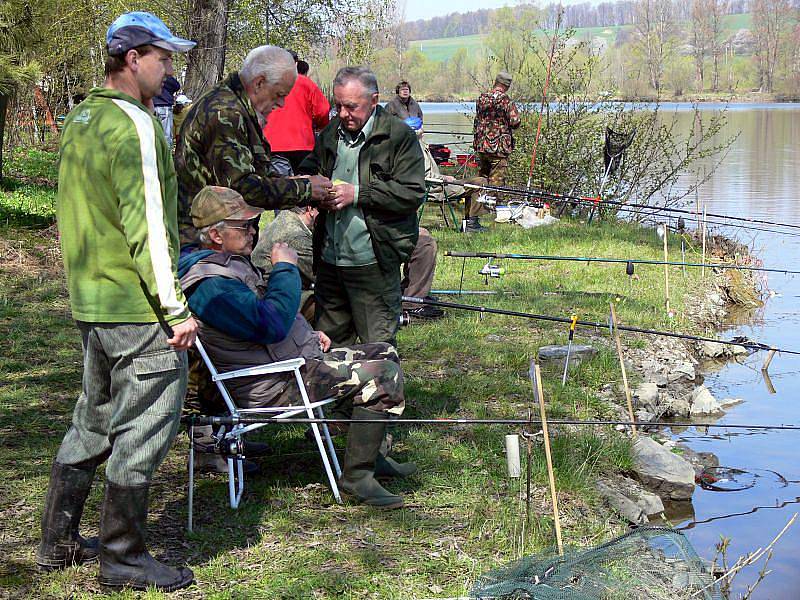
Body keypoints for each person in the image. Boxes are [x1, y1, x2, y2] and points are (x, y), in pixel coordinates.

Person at [37, 11, 198, 592]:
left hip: (92, 300)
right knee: (145, 425)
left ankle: (56, 540)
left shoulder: (81, 117)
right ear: (134, 58)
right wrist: (175, 309)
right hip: (136, 306)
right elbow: (148, 226)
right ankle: (123, 555)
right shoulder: (134, 124)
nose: (170, 67)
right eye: (164, 57)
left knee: (94, 416)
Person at [178, 186, 415, 508]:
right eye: (244, 226)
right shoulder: (211, 284)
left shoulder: (229, 265)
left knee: (384, 352)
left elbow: (263, 324)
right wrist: (285, 268)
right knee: (382, 374)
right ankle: (357, 476)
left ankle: (370, 457)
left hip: (285, 368)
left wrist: (308, 337)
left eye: (254, 224)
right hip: (268, 385)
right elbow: (270, 324)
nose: (253, 232)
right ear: (217, 235)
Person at [297, 66, 426, 346]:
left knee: (377, 349)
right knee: (329, 348)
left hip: (374, 262)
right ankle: (337, 391)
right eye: (338, 105)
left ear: (374, 100)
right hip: (330, 260)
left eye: (352, 107)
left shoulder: (398, 137)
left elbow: (412, 192)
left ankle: (382, 391)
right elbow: (311, 166)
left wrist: (357, 194)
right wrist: (311, 184)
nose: (343, 114)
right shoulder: (332, 132)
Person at [174, 45, 332, 246]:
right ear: (259, 83)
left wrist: (294, 181)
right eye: (279, 95)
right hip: (204, 243)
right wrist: (305, 189)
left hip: (215, 240)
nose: (282, 104)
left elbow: (253, 172)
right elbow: (244, 188)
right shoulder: (225, 113)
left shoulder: (234, 104)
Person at [252, 207, 444, 321]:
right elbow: (330, 278)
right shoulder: (296, 237)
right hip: (279, 303)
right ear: (311, 209)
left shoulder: (288, 218)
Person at [262, 52, 330, 175]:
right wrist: (319, 125)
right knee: (308, 187)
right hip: (304, 144)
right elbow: (323, 110)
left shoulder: (266, 83)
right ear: (296, 64)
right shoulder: (306, 83)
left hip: (274, 145)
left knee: (282, 189)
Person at [473, 71, 520, 208]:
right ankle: (491, 208)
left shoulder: (482, 98)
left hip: (482, 145)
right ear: (506, 86)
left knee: (482, 177)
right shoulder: (506, 101)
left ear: (495, 82)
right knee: (496, 180)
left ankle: (477, 205)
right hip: (498, 148)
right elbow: (515, 122)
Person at [153, 74, 180, 145]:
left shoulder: (150, 74)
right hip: (165, 107)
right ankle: (166, 155)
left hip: (152, 106)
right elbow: (176, 86)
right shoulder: (165, 75)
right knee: (166, 137)